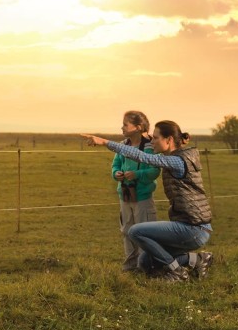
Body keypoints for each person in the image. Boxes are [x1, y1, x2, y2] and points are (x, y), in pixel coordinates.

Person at [82, 120, 214, 282]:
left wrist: (104, 142)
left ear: (169, 140)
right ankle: (196, 260)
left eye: (156, 138)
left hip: (193, 229)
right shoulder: (176, 156)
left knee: (135, 231)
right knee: (145, 262)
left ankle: (176, 272)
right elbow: (140, 148)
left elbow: (140, 156)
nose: (152, 142)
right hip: (191, 226)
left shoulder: (177, 161)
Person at [111, 111, 160, 272]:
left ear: (138, 127)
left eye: (125, 124)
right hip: (125, 196)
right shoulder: (123, 145)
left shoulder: (150, 147)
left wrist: (137, 175)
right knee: (127, 231)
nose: (122, 127)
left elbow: (154, 171)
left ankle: (146, 267)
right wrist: (116, 174)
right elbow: (115, 165)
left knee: (145, 232)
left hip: (143, 198)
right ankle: (130, 268)